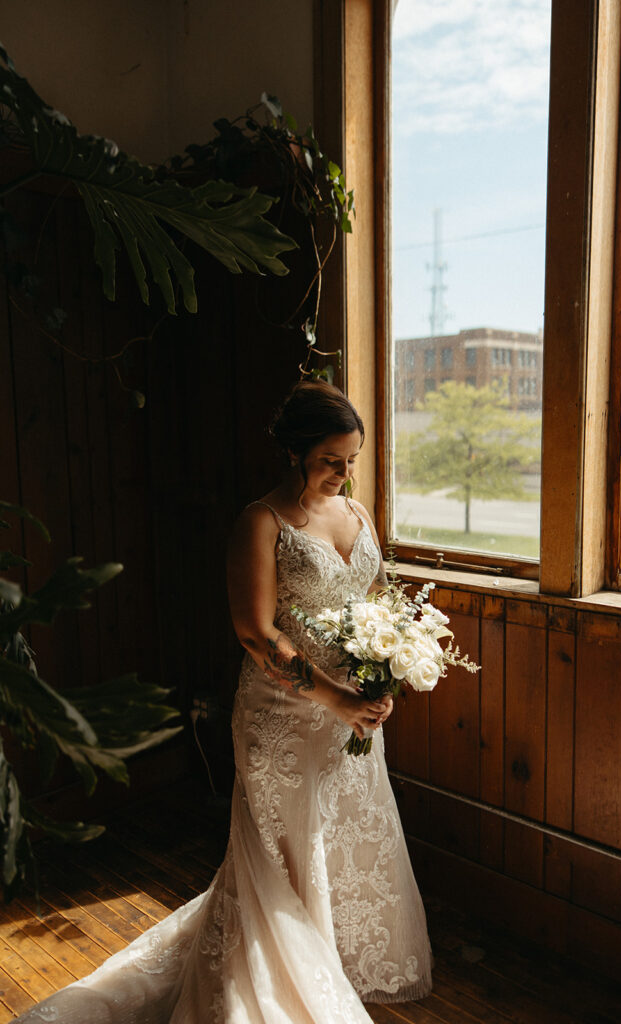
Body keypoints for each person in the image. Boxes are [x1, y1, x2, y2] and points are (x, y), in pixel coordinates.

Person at [16, 380, 432, 1024]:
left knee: (346, 833)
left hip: (352, 707)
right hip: (284, 716)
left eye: (352, 459)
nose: (343, 473)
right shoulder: (260, 522)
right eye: (329, 459)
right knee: (282, 851)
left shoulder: (358, 515)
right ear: (295, 452)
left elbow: (378, 605)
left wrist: (385, 677)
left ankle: (337, 961)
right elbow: (256, 634)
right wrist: (335, 698)